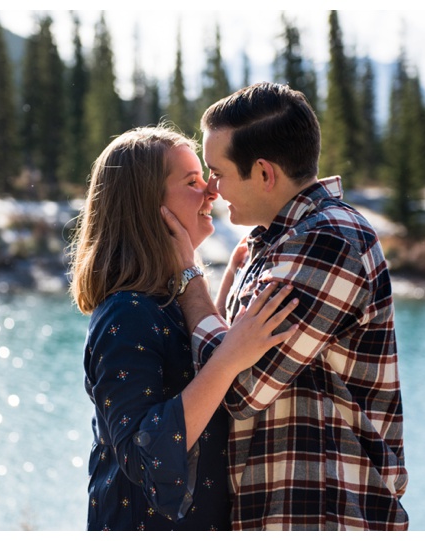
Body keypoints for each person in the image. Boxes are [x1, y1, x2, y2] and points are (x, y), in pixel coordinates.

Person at [162, 82, 409, 530]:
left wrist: (188, 275)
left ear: (263, 173)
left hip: (324, 516)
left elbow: (239, 389)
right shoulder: (271, 242)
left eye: (217, 172)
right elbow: (227, 360)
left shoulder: (329, 241)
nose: (212, 190)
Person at [68, 124, 299, 531]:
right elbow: (145, 457)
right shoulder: (126, 314)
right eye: (193, 181)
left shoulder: (167, 303)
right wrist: (226, 361)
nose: (212, 190)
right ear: (147, 205)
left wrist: (225, 295)